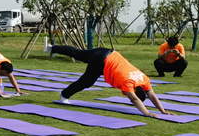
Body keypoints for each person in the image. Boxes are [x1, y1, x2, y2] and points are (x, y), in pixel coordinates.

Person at [43, 40, 173, 118]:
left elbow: (152, 96)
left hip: (109, 52)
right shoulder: (128, 83)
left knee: (78, 53)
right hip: (101, 61)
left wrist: (163, 111)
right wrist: (146, 113)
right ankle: (64, 95)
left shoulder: (143, 79)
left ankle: (50, 47)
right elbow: (134, 98)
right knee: (87, 82)